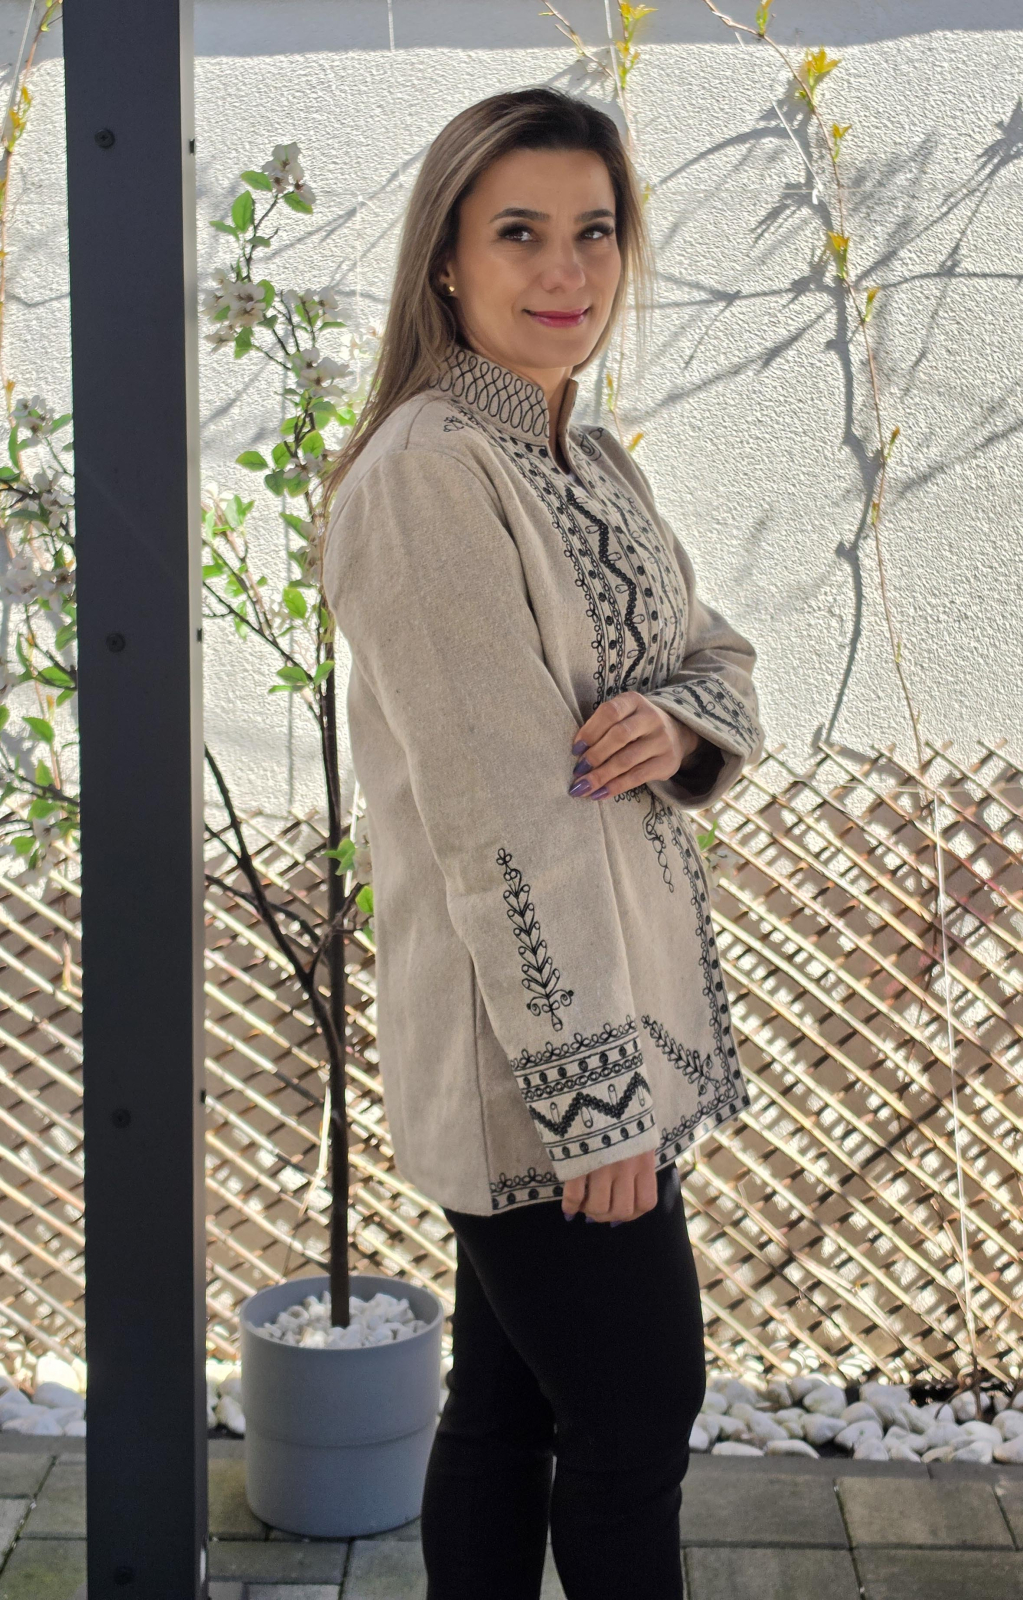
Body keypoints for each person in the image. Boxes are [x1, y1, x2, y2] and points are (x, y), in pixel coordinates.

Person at [323, 86, 763, 1600]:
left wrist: (678, 724)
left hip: (604, 1020)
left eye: (595, 230)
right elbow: (501, 810)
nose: (566, 269)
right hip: (535, 1048)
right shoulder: (427, 473)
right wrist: (597, 1101)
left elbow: (715, 651)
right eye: (520, 232)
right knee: (635, 1419)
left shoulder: (587, 456)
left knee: (510, 1409)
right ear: (446, 259)